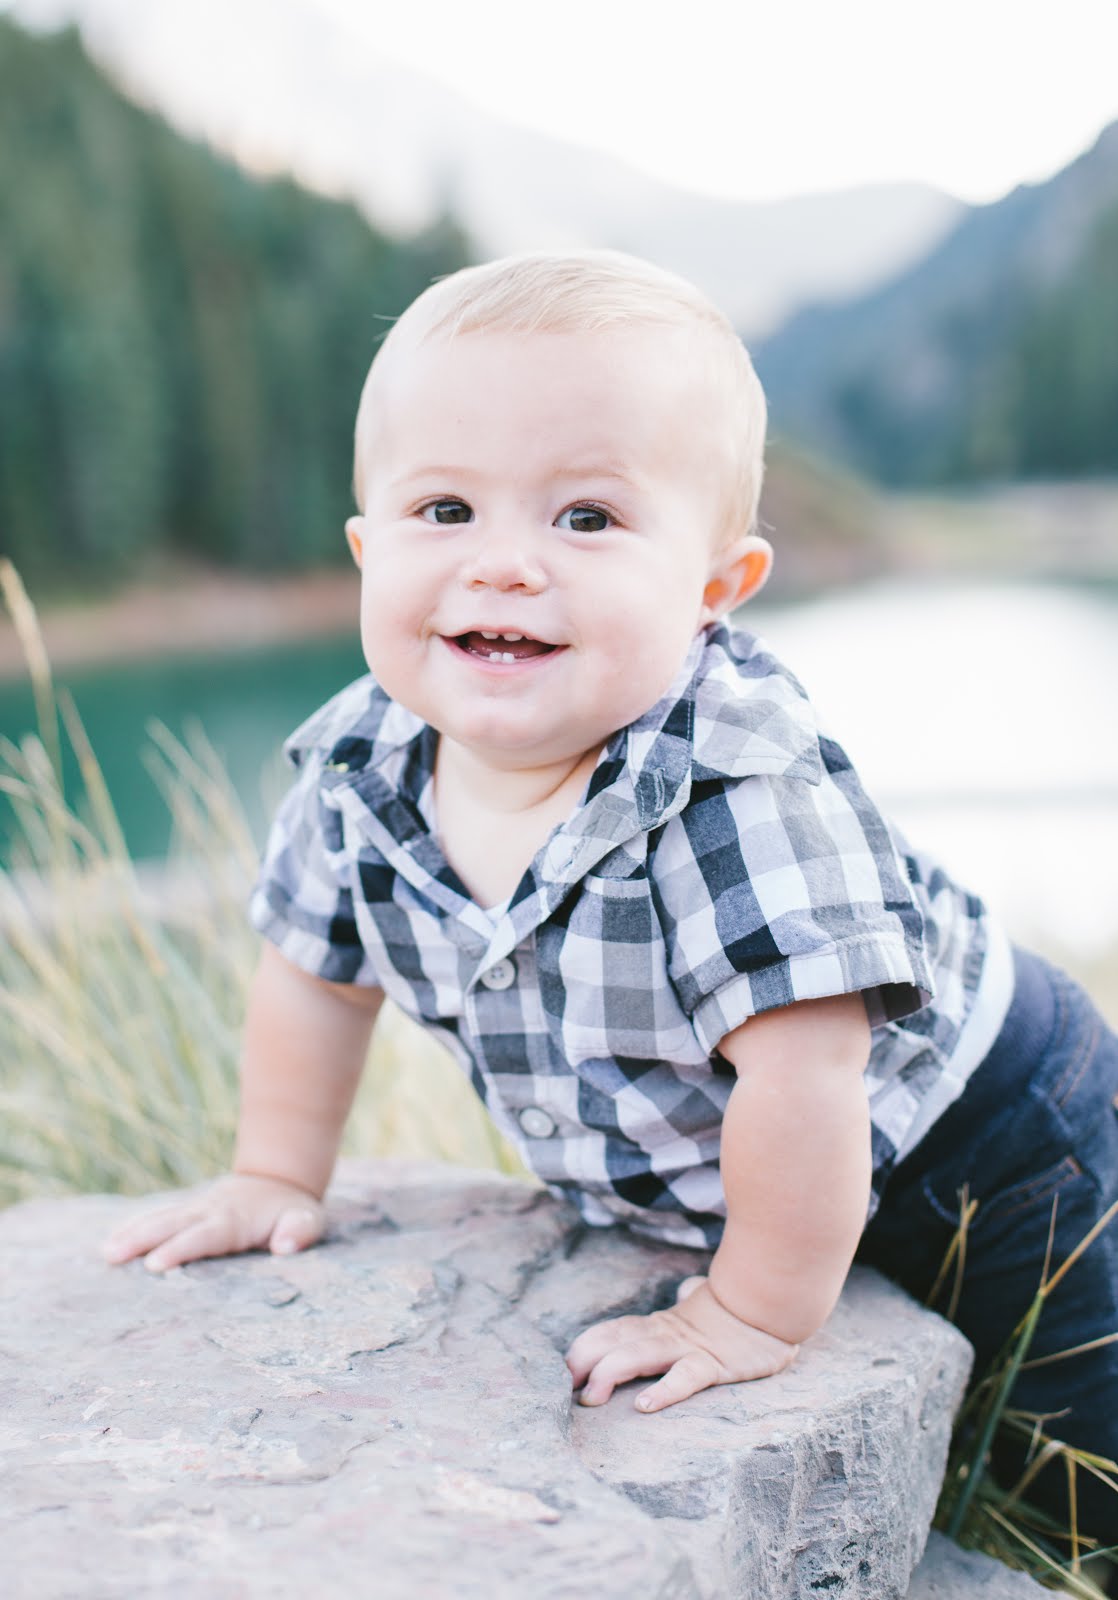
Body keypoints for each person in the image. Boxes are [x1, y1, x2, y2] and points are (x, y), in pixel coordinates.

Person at [103, 250, 1118, 1540]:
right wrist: (273, 1172)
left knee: (1079, 1468)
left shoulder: (732, 786)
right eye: (444, 510)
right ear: (365, 549)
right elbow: (312, 974)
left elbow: (808, 1072)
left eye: (585, 519)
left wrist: (750, 1312)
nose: (504, 565)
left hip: (983, 1144)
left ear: (714, 591)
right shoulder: (359, 767)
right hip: (732, 1160)